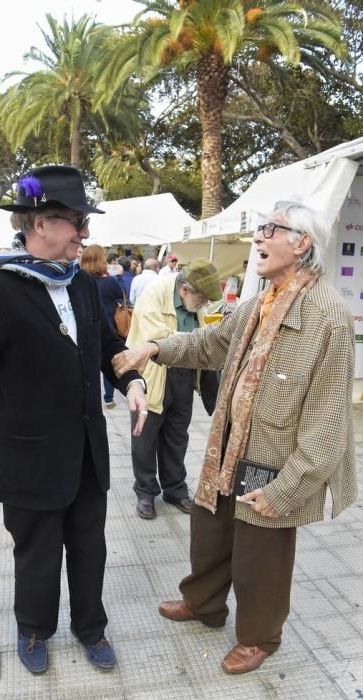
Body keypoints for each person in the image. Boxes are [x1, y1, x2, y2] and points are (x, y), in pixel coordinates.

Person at [112, 201, 357, 674]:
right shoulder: (259, 303)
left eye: (269, 230)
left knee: (260, 556)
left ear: (301, 244)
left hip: (275, 460)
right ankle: (204, 604)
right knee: (211, 533)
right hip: (230, 445)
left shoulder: (327, 316)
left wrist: (289, 488)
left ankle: (260, 635)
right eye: (259, 229)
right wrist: (154, 347)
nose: (257, 238)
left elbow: (329, 422)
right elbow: (210, 345)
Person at [0, 165, 147, 676]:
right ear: (42, 223)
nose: (85, 233)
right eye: (77, 221)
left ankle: (90, 628)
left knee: (90, 548)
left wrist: (131, 381)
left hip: (86, 453)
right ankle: (33, 628)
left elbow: (107, 347)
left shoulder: (80, 284)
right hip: (27, 457)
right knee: (37, 552)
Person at [125, 258, 222, 520]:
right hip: (153, 373)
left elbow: (204, 333)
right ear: (184, 290)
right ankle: (145, 492)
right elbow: (153, 336)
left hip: (184, 374)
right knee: (144, 437)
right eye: (202, 298)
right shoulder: (155, 293)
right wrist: (197, 340)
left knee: (177, 436)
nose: (204, 304)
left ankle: (175, 489)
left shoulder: (196, 301)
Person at [81, 244, 124, 409]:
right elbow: (121, 295)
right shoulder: (110, 281)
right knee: (108, 358)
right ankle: (108, 397)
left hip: (85, 330)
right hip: (107, 327)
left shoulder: (78, 281)